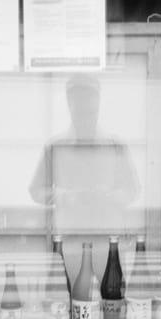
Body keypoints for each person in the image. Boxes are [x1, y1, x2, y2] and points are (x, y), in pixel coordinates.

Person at [29, 74, 140, 231]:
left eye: (89, 98)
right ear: (69, 103)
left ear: (98, 102)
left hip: (109, 235)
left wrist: (109, 197)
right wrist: (66, 197)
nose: (84, 104)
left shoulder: (116, 146)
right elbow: (36, 190)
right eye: (78, 99)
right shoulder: (55, 147)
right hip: (68, 235)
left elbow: (132, 189)